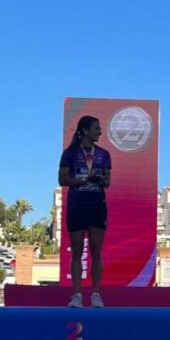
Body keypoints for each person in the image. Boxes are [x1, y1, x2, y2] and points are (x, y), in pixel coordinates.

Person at [59, 115, 112, 307]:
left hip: (96, 205)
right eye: (96, 129)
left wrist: (100, 180)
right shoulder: (70, 153)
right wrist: (84, 179)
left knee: (96, 251)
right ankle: (77, 295)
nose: (100, 132)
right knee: (77, 251)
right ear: (85, 130)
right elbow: (62, 180)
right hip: (76, 205)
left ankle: (96, 294)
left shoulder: (104, 154)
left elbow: (108, 181)